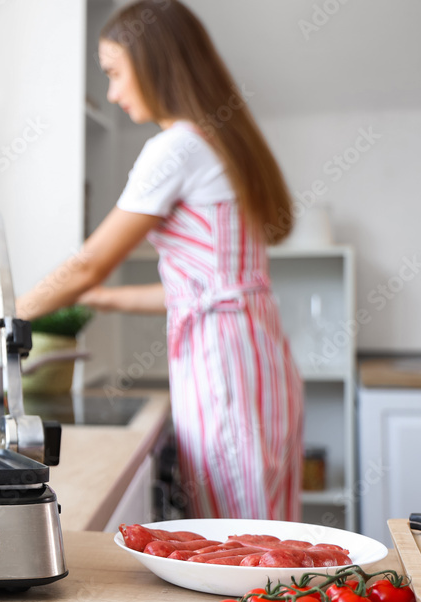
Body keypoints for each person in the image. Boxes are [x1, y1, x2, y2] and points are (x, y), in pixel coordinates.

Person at [15, 0, 304, 521]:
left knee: (234, 539)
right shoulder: (223, 140)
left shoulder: (174, 148)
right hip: (261, 360)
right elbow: (205, 286)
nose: (112, 93)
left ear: (154, 63)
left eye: (115, 74)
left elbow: (88, 263)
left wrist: (7, 315)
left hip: (221, 369)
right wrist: (101, 299)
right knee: (268, 530)